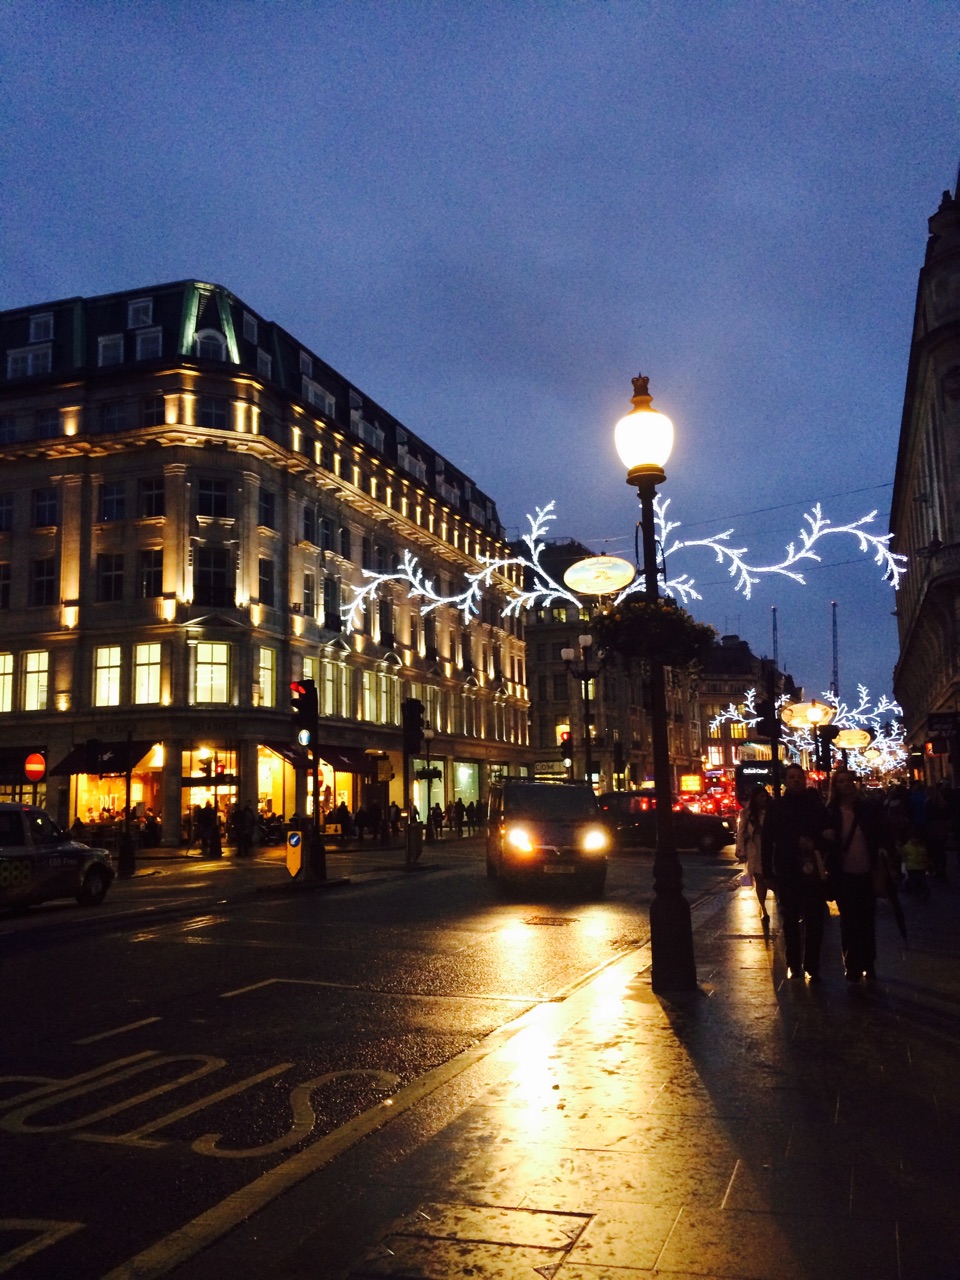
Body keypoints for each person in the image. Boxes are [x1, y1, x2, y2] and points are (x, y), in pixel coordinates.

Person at [761, 763, 831, 982]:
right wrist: (767, 872)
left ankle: (812, 964)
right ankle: (793, 962)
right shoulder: (777, 807)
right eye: (791, 777)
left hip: (812, 868)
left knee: (814, 919)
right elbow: (767, 839)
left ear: (804, 779)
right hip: (788, 868)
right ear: (785, 781)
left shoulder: (815, 805)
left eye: (798, 777)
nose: (795, 781)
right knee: (790, 918)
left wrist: (815, 842)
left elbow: (826, 832)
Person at [825, 767, 888, 982]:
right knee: (849, 920)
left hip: (867, 870)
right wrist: (826, 836)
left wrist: (882, 849)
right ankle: (852, 963)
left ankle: (868, 962)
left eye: (848, 780)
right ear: (835, 786)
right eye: (840, 781)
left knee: (867, 919)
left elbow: (882, 832)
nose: (845, 785)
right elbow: (823, 840)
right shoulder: (831, 811)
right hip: (843, 873)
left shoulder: (867, 808)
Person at [736, 785, 770, 921]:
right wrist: (740, 850)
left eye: (764, 796)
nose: (763, 799)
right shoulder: (746, 813)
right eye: (760, 796)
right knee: (759, 879)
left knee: (771, 879)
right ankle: (763, 908)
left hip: (769, 848)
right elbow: (741, 831)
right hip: (754, 849)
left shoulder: (771, 811)